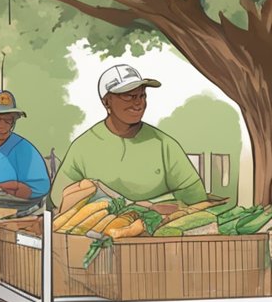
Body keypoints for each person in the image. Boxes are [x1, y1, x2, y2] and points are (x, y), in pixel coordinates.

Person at [49, 64, 206, 208]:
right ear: (106, 102)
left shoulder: (164, 144)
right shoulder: (82, 147)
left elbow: (195, 195)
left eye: (142, 96)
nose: (138, 103)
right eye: (129, 96)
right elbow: (60, 200)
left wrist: (152, 207)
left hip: (159, 234)